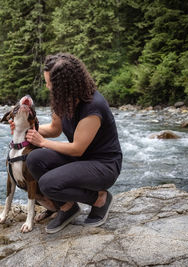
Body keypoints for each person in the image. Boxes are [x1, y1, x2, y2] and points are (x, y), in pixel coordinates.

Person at [11, 53, 122, 234]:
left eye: (50, 83)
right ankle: (67, 207)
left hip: (104, 165)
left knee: (47, 184)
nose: (47, 86)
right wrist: (24, 129)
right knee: (33, 159)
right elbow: (55, 129)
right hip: (81, 159)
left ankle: (99, 198)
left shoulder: (94, 107)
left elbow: (77, 149)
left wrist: (43, 142)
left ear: (65, 86)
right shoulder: (62, 100)